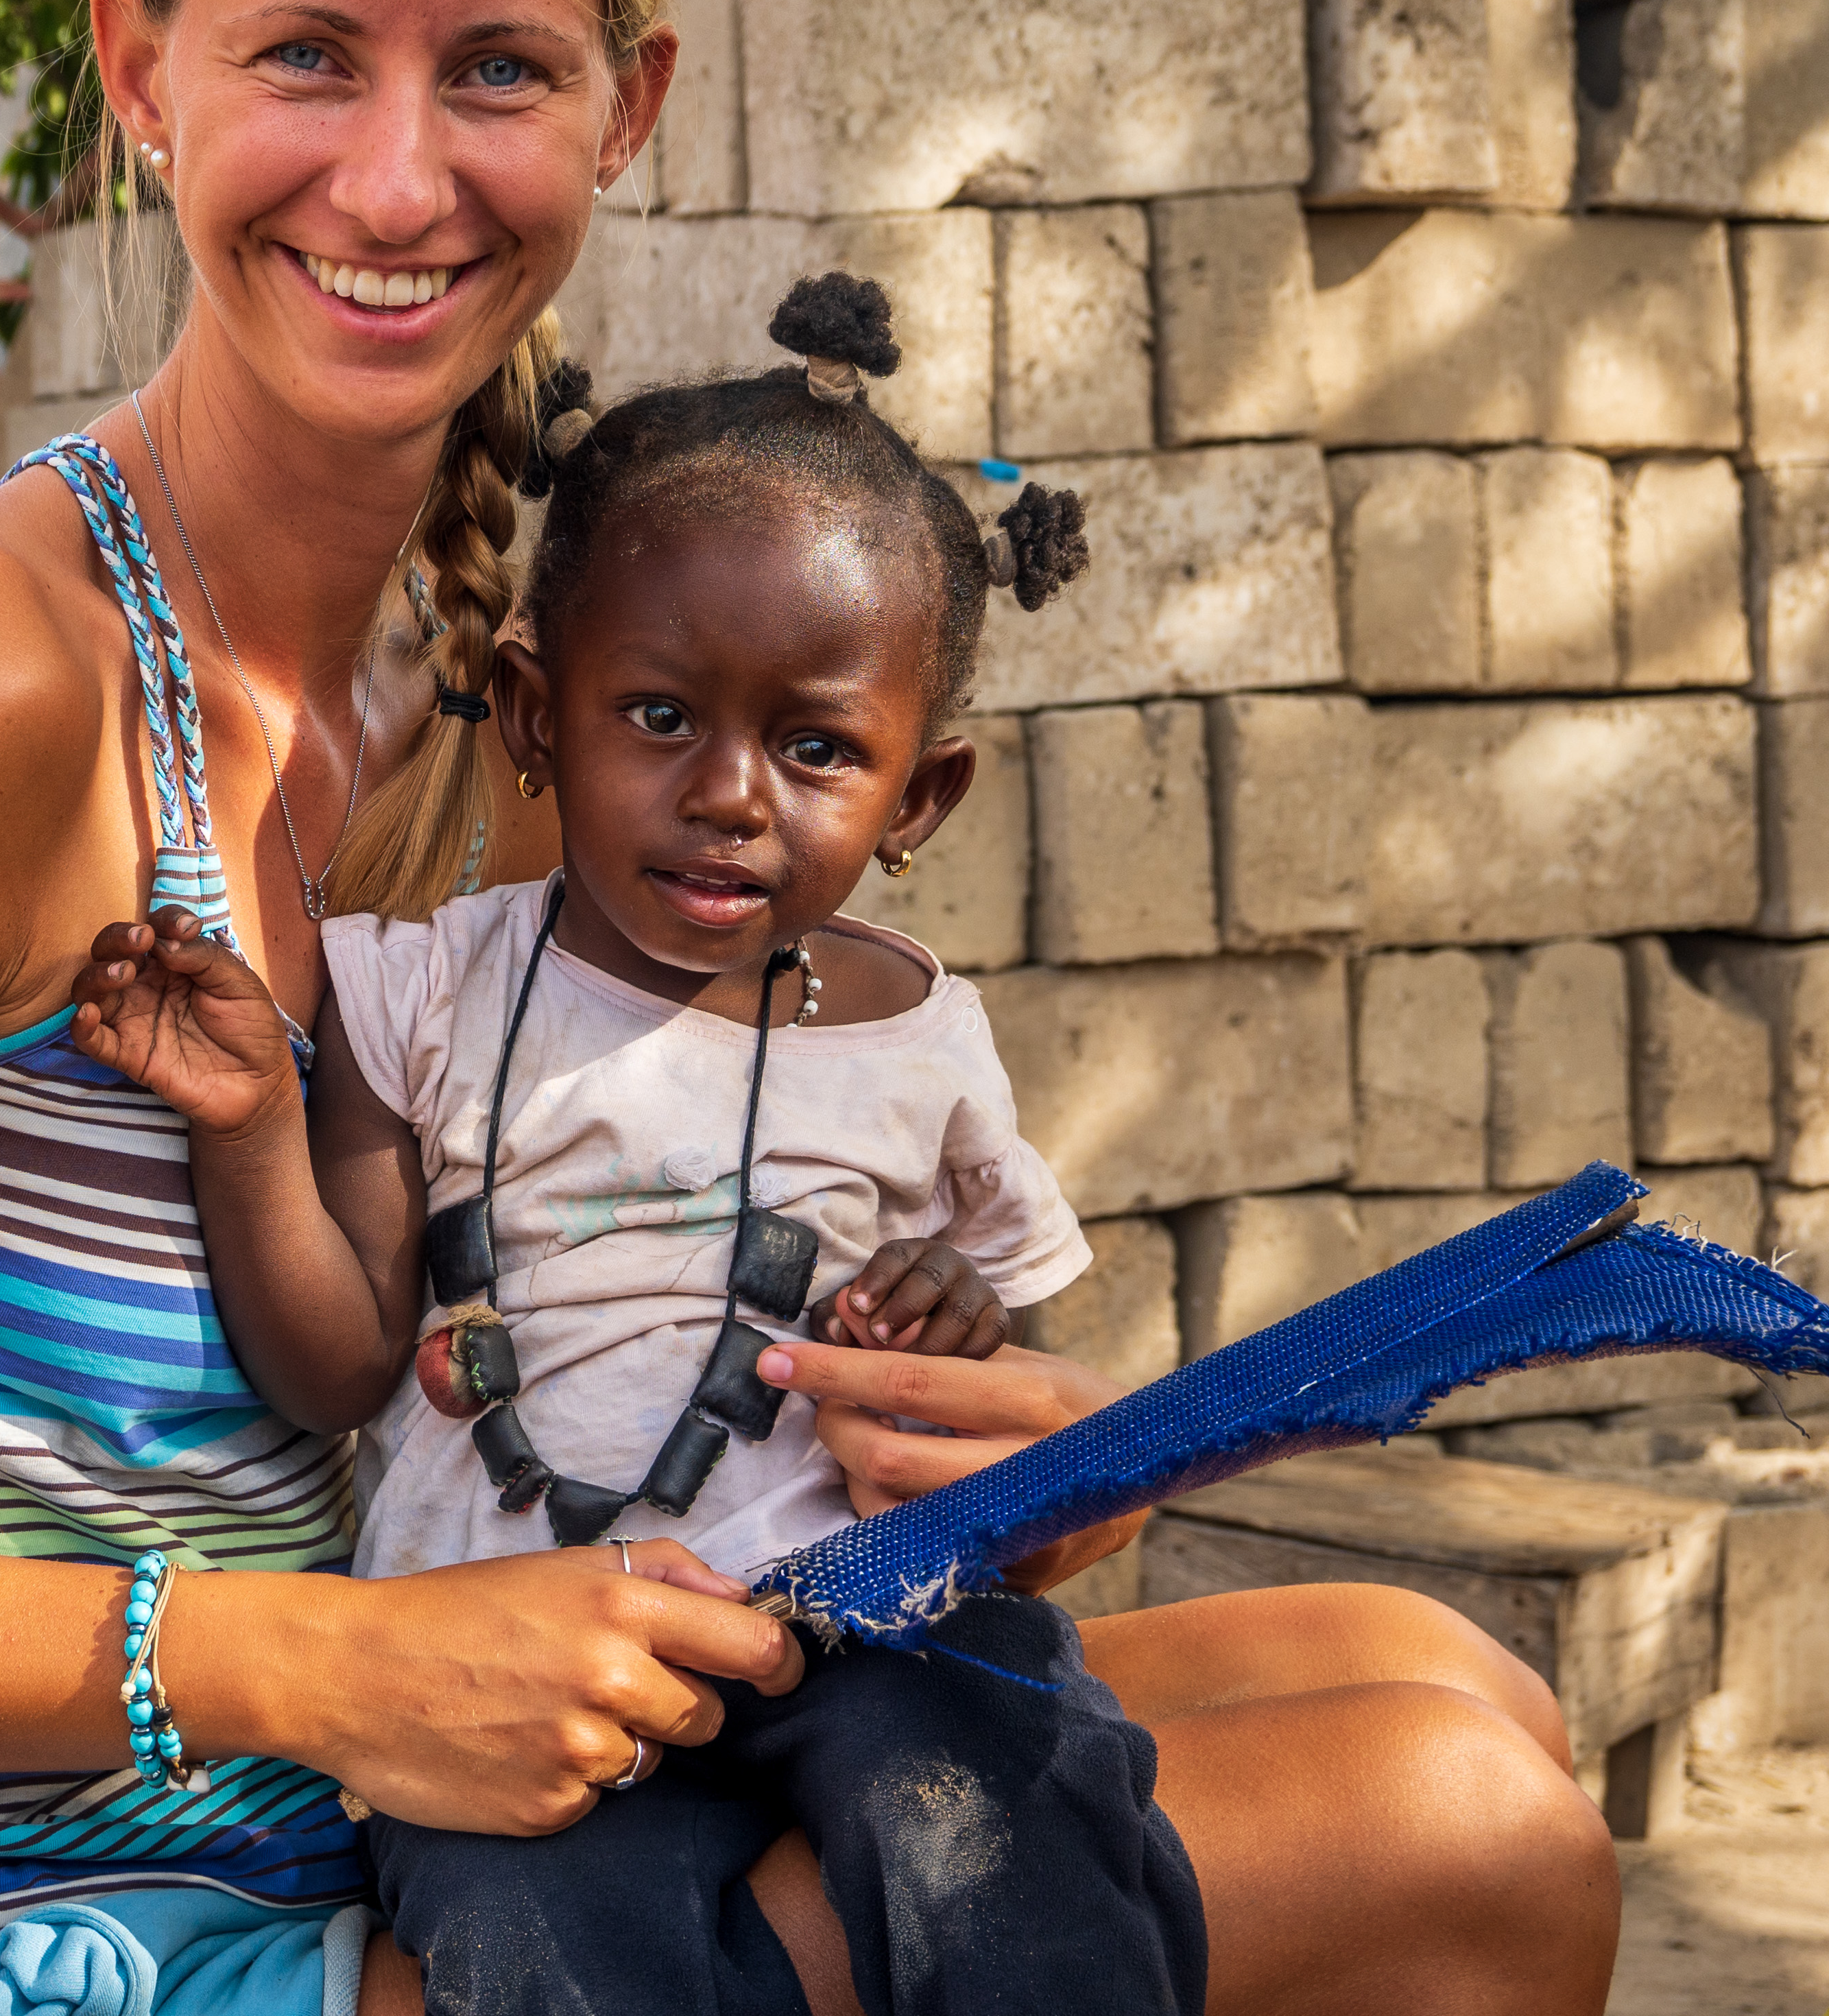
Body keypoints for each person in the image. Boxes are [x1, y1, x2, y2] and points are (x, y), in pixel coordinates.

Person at [0, 0, 1617, 2016]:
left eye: (496, 67)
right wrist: (319, 1669)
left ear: (626, 103)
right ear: (138, 70)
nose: (396, 177)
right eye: (304, 54)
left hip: (345, 1794)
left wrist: (957, 1467)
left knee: (1443, 1676)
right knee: (1460, 1840)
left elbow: (531, 1358)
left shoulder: (494, 710)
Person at [63, 274, 1206, 2016]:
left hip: (864, 1620)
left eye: (817, 746)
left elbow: (996, 1370)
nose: (732, 792)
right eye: (661, 715)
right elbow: (338, 1362)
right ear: (538, 711)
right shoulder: (422, 992)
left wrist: (952, 1328)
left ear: (918, 798)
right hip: (524, 1663)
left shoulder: (918, 1035)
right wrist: (245, 1130)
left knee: (1024, 1810)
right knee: (543, 1943)